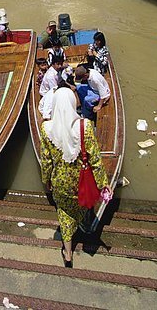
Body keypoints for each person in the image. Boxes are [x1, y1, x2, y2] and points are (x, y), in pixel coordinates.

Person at [40, 87, 110, 266]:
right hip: (81, 183)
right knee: (82, 206)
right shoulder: (84, 126)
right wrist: (103, 184)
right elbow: (95, 159)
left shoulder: (46, 128)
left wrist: (45, 180)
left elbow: (46, 161)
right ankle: (81, 225)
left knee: (63, 214)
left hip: (60, 182)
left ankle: (68, 252)